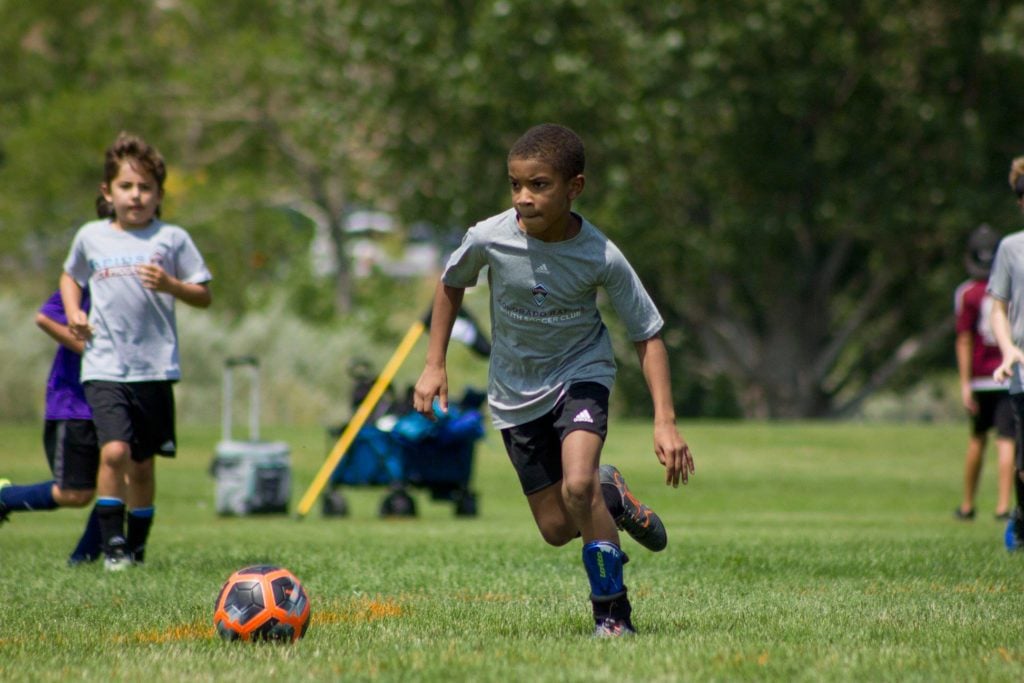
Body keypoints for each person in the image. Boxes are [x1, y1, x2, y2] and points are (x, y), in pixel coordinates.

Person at [413, 123, 695, 637]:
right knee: (557, 527)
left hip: (581, 375)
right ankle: (614, 497)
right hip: (515, 393)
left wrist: (665, 421)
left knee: (578, 484)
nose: (523, 198)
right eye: (516, 185)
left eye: (539, 185)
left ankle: (612, 615)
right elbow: (451, 283)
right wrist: (435, 364)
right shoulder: (489, 237)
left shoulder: (600, 255)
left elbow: (647, 334)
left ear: (575, 187)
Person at [61, 132, 212, 570]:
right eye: (126, 186)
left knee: (143, 466)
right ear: (108, 192)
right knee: (114, 453)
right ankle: (113, 547)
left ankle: (138, 547)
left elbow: (203, 294)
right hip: (105, 364)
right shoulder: (91, 237)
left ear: (159, 194)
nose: (136, 195)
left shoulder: (172, 239)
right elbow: (70, 277)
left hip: (154, 368)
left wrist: (172, 285)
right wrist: (74, 311)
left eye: (146, 187)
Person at [0, 289, 104, 565]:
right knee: (75, 494)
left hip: (121, 397)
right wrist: (100, 356)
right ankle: (4, 497)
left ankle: (86, 558)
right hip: (76, 401)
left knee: (125, 473)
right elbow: (45, 317)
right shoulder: (85, 280)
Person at [953, 224, 1014, 521]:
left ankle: (967, 505)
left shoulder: (967, 293)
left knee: (977, 438)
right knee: (1007, 440)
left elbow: (963, 338)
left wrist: (964, 383)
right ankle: (1003, 506)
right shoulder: (1012, 290)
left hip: (979, 377)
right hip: (1009, 374)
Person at [990, 156, 1024, 550]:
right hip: (1021, 371)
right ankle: (1021, 514)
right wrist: (1008, 350)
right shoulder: (1010, 249)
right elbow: (998, 306)